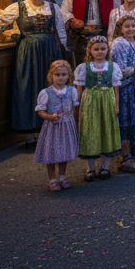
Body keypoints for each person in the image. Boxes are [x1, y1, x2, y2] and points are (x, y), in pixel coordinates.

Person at [0, 0, 67, 135]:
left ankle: (51, 129)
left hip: (50, 52)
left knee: (50, 87)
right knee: (27, 87)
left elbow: (61, 32)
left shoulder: (53, 7)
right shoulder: (18, 7)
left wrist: (64, 52)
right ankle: (29, 132)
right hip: (27, 52)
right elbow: (0, 22)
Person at [61, 0, 121, 69]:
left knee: (103, 68)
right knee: (83, 68)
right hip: (81, 37)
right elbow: (64, 11)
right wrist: (72, 20)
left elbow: (119, 12)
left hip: (104, 36)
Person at [75, 36, 121, 182]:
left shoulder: (113, 66)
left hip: (108, 101)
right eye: (96, 49)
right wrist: (78, 106)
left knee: (107, 130)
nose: (100, 52)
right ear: (90, 50)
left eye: (103, 49)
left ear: (107, 50)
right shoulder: (84, 67)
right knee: (90, 132)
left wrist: (117, 105)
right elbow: (79, 89)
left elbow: (116, 89)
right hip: (90, 102)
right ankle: (90, 168)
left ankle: (105, 167)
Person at [109, 15, 135, 172]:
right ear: (120, 28)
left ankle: (133, 154)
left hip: (134, 86)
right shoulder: (120, 43)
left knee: (134, 121)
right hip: (124, 87)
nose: (131, 29)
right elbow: (118, 69)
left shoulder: (134, 42)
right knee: (125, 122)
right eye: (127, 26)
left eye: (133, 26)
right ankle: (124, 157)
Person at [34, 59, 79, 192]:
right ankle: (52, 179)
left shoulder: (72, 91)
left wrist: (77, 122)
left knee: (64, 152)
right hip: (52, 128)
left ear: (68, 76)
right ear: (51, 76)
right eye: (57, 75)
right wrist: (49, 117)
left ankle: (63, 177)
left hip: (67, 126)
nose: (60, 77)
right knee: (51, 152)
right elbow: (40, 111)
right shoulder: (46, 93)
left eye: (63, 75)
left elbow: (76, 108)